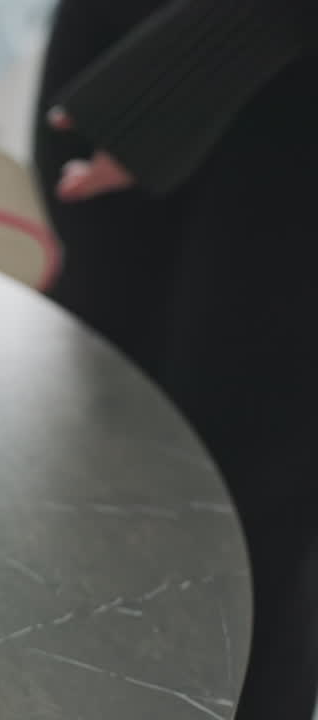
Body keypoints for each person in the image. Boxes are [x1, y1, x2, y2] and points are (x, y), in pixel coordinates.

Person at [33, 1, 317, 718]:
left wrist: (230, 34)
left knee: (246, 508)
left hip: (272, 95)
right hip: (134, 70)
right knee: (94, 468)